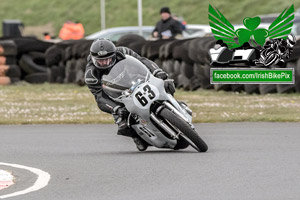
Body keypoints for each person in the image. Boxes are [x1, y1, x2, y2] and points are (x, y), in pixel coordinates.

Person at [84, 38, 175, 151]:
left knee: (166, 84)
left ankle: (174, 106)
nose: (104, 63)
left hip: (135, 78)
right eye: (100, 61)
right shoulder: (90, 75)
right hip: (117, 96)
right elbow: (100, 98)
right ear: (93, 58)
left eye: (107, 59)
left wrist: (157, 71)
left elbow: (142, 60)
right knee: (123, 123)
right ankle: (136, 136)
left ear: (114, 54)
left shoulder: (123, 51)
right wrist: (116, 109)